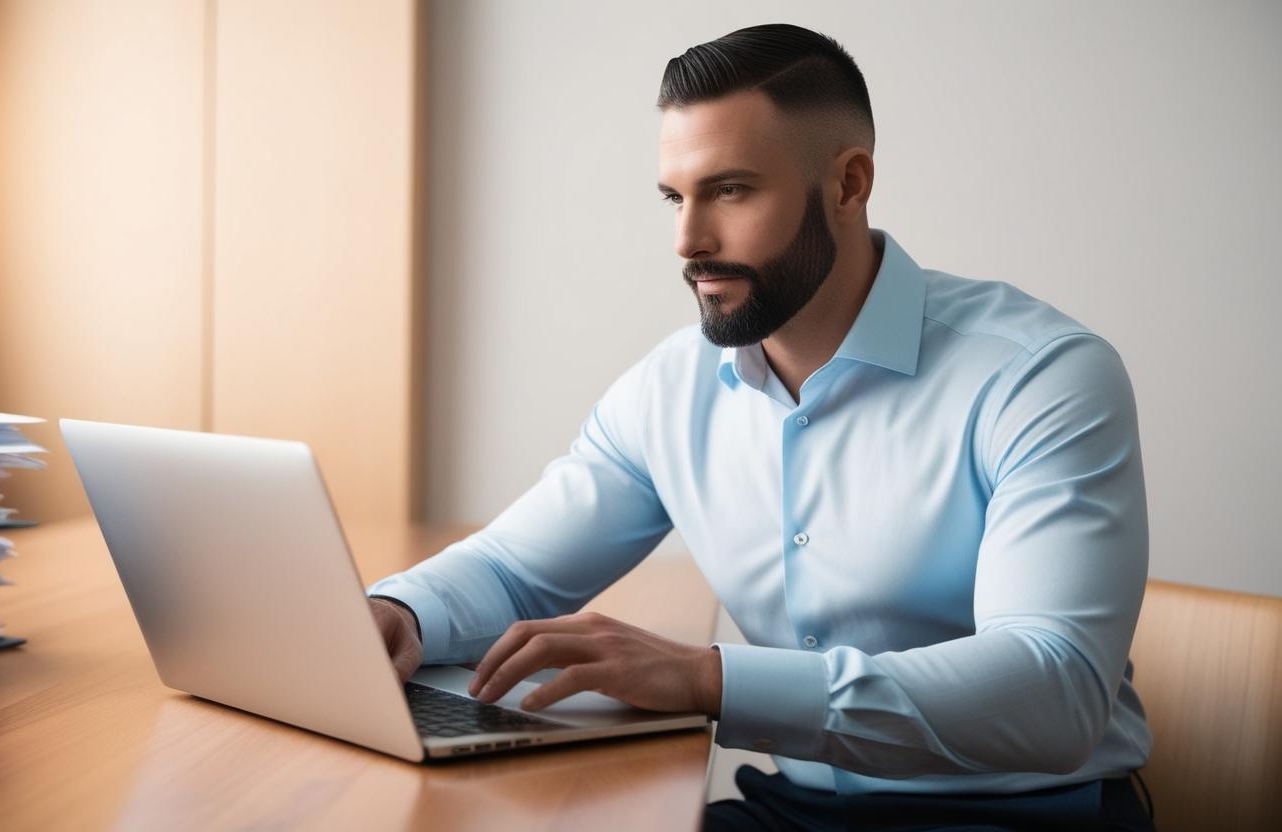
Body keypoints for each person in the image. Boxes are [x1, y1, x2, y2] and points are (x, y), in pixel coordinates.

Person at [368, 23, 1155, 831]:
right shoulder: (671, 388)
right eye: (677, 197)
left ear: (849, 185)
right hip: (796, 811)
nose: (688, 240)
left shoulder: (1039, 377)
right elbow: (511, 571)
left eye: (732, 191)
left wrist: (711, 681)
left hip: (1027, 817)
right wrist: (398, 616)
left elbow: (1055, 688)